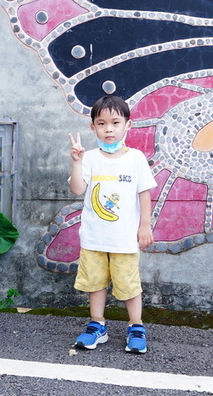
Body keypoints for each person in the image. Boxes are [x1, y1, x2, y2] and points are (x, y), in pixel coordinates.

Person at [68, 95, 155, 354]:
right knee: (94, 283)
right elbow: (77, 189)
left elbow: (144, 194)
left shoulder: (136, 158)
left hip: (125, 239)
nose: (108, 129)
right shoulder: (90, 158)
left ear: (127, 125)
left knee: (129, 284)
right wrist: (76, 162)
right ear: (92, 127)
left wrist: (145, 226)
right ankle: (97, 326)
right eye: (101, 123)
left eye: (115, 122)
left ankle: (136, 326)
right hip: (94, 237)